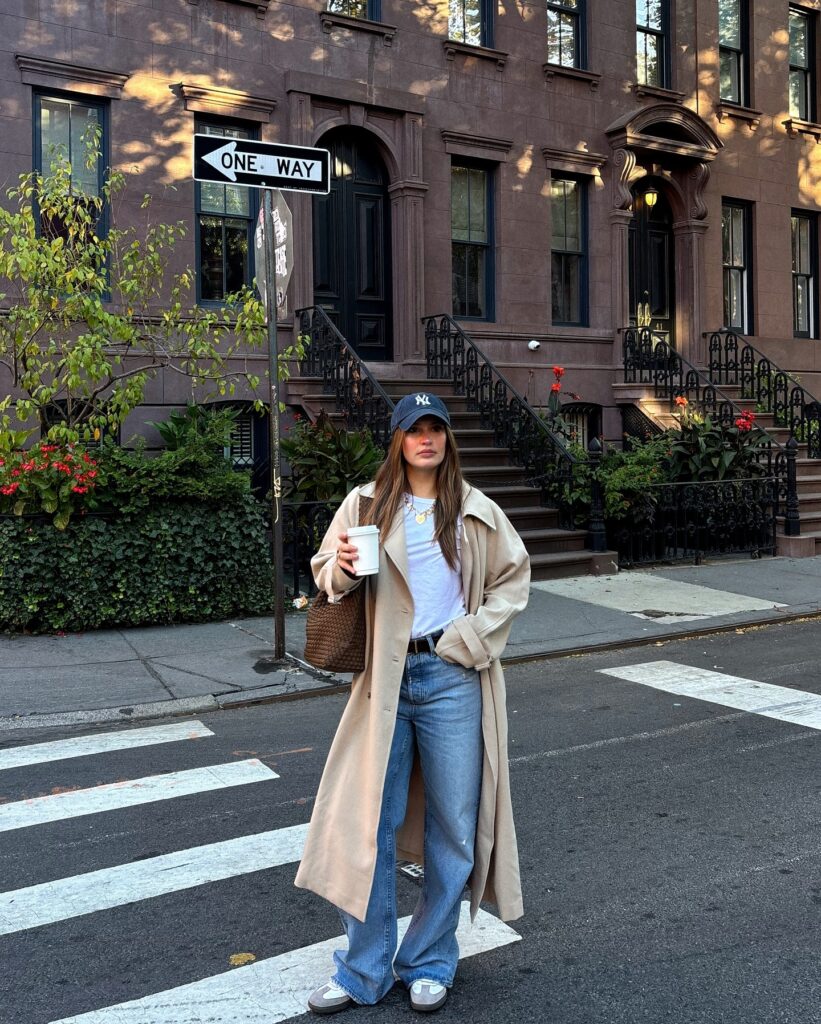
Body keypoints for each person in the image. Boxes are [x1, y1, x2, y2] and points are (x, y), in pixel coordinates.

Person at [295, 391, 530, 1015]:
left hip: (453, 675)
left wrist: (469, 639)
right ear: (397, 440)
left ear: (447, 440)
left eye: (436, 429)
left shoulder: (475, 511)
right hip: (385, 681)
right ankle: (362, 971)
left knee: (454, 827)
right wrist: (342, 568)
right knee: (368, 824)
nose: (426, 439)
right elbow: (324, 571)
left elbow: (515, 579)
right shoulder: (366, 504)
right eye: (414, 430)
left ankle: (428, 958)